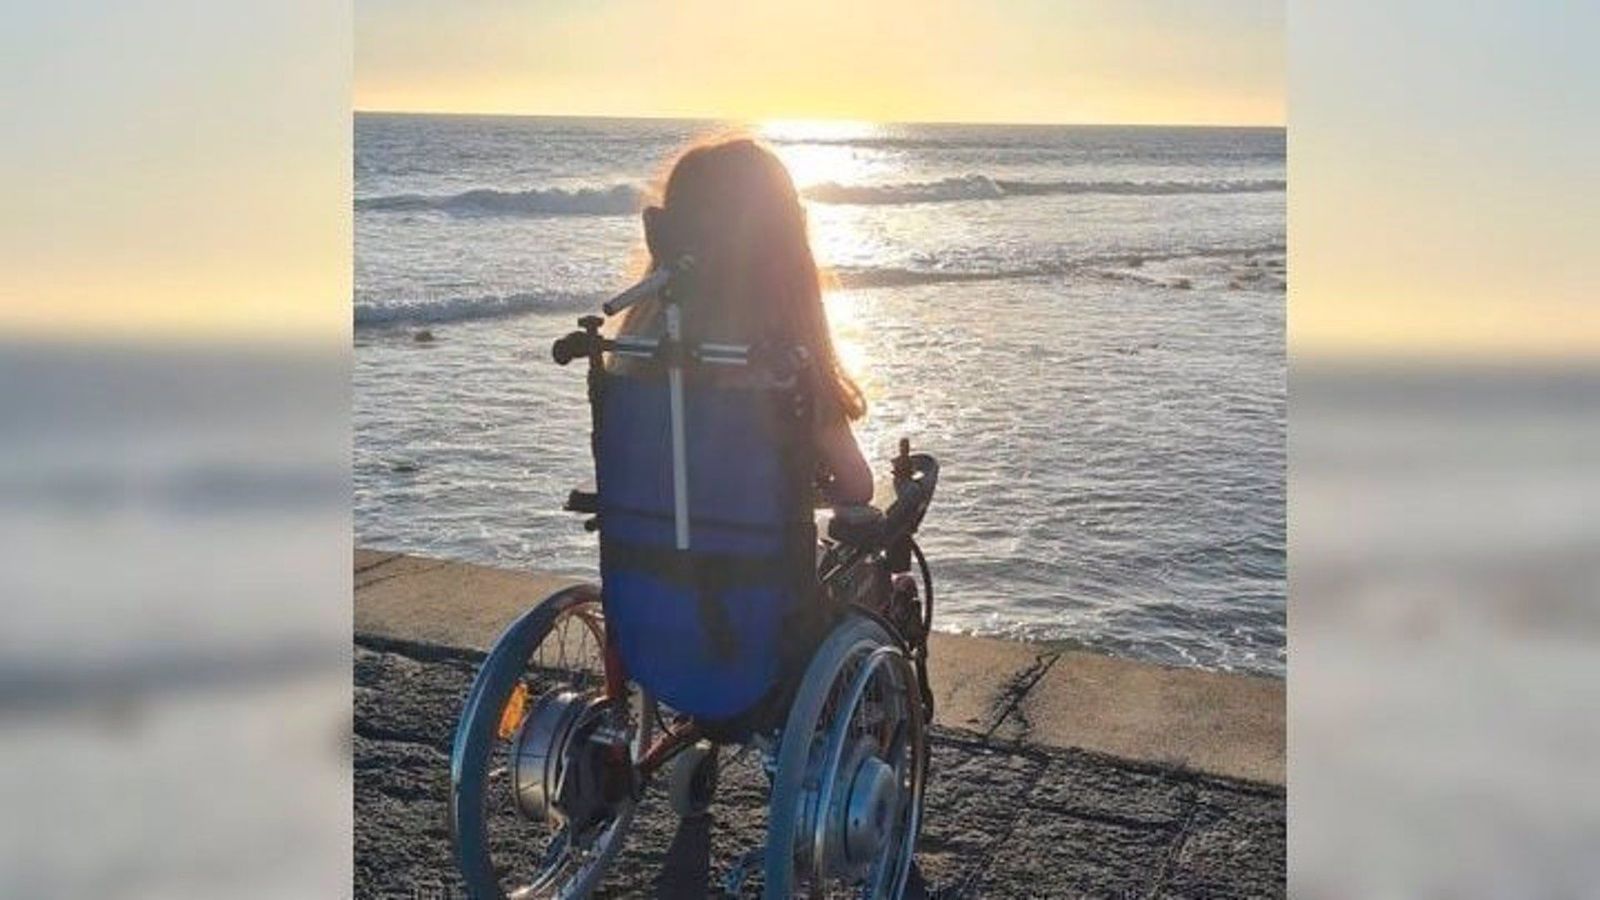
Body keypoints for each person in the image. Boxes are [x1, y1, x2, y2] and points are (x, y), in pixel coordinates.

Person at [614, 136, 874, 505]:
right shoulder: (785, 367)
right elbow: (857, 485)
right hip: (755, 557)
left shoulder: (637, 354)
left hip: (642, 557)